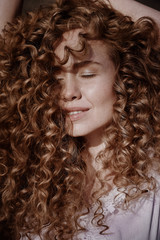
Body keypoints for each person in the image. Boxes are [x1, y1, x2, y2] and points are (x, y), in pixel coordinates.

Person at [0, 0, 160, 239]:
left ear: (125, 75)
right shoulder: (35, 171)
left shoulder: (152, 173)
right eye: (56, 78)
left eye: (87, 73)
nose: (68, 92)